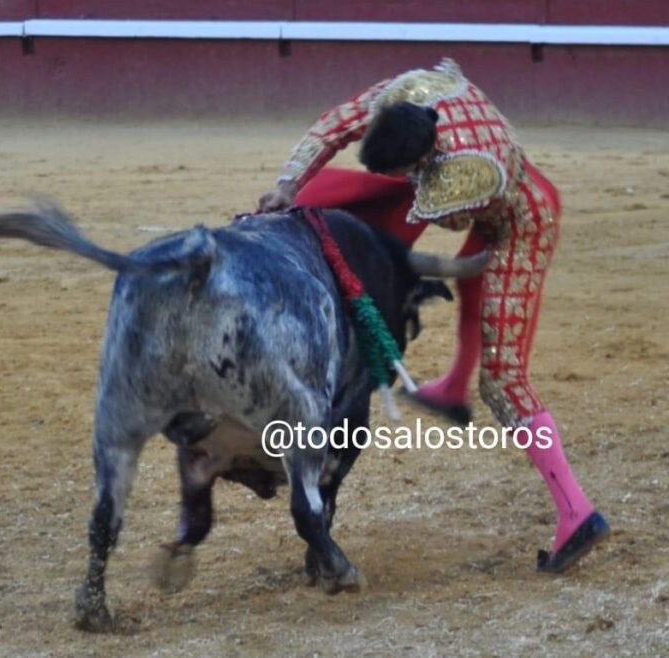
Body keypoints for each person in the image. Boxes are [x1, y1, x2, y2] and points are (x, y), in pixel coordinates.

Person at [258, 58, 609, 572]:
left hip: (523, 219)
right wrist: (289, 184)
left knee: (505, 381)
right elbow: (336, 122)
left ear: (420, 163)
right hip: (483, 190)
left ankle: (577, 512)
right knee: (469, 291)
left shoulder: (464, 177)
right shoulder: (413, 95)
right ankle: (450, 387)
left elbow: (454, 219)